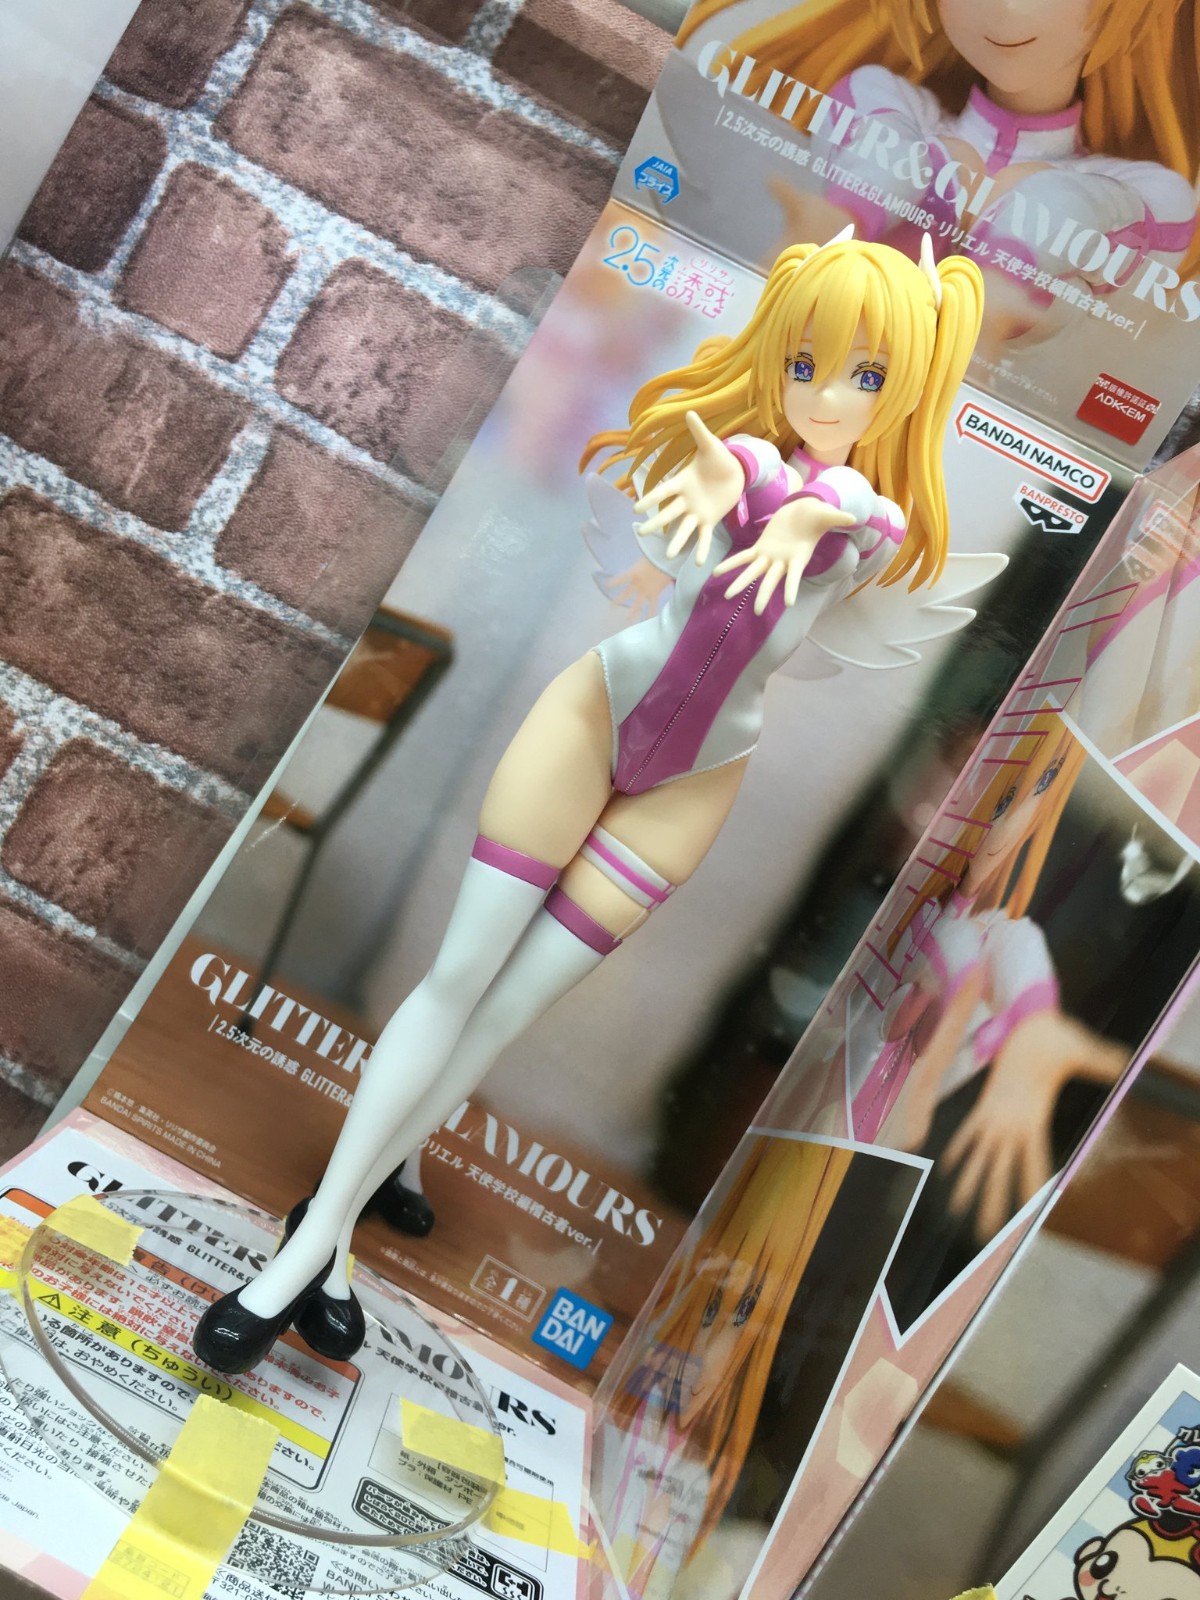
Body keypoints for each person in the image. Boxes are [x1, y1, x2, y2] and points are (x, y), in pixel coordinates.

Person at [193, 233, 990, 1375]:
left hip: (694, 782)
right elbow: (732, 478)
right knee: (459, 978)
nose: (826, 396)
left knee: (503, 1013)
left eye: (866, 375)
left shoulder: (859, 518)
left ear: (905, 388)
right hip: (590, 719)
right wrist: (731, 491)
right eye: (805, 362)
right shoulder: (736, 463)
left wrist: (806, 518)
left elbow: (864, 521)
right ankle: (316, 1247)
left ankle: (352, 1203)